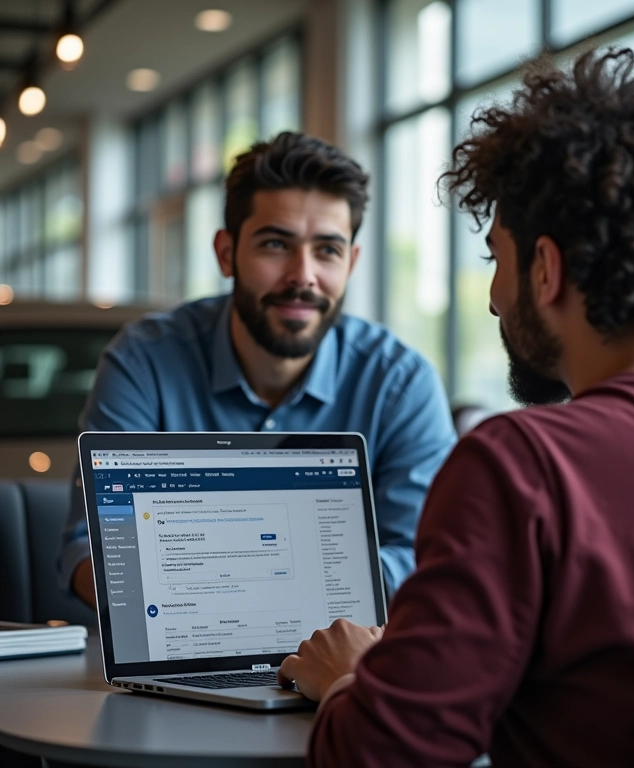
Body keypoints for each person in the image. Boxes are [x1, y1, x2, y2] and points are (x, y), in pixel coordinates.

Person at [276, 48, 634, 767]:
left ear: (546, 269)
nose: (493, 298)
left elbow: (382, 757)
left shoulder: (524, 466)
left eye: (496, 259)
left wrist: (348, 678)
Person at [59, 131, 455, 606]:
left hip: (343, 664)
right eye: (275, 244)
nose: (302, 276)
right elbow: (92, 554)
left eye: (327, 250)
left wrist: (218, 571)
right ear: (226, 253)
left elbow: (426, 558)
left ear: (351, 262)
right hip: (181, 653)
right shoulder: (144, 361)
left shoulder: (400, 383)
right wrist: (301, 572)